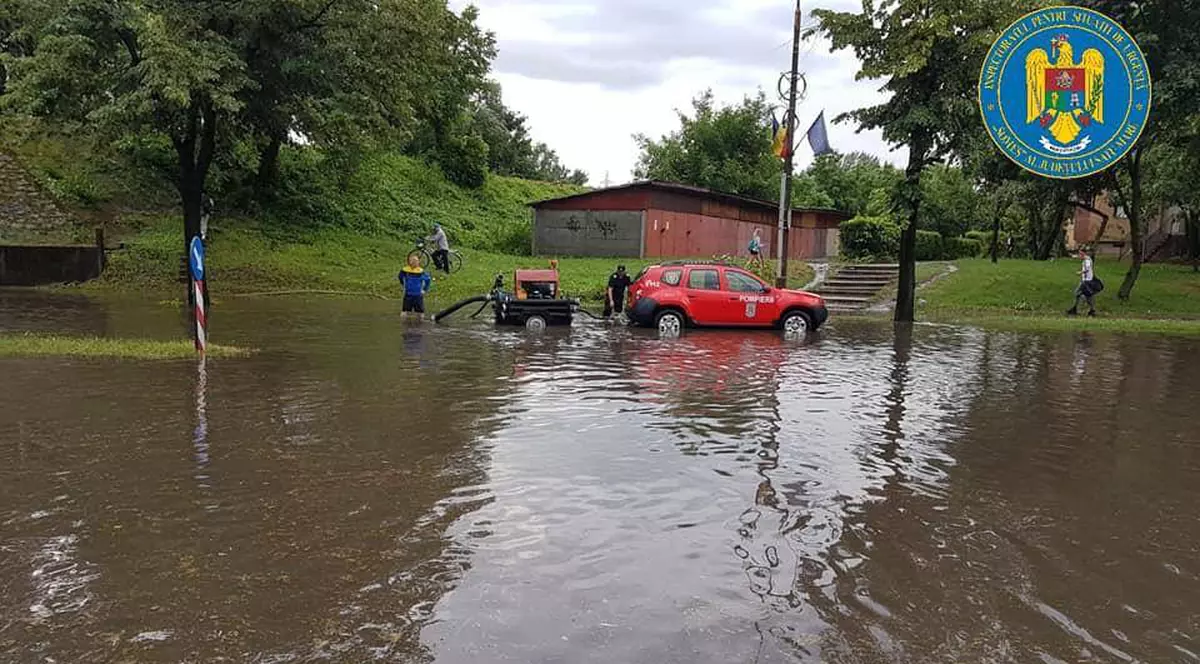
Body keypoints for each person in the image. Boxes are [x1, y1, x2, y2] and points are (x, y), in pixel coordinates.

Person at [1067, 247, 1099, 317]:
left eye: (1080, 254)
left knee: (1077, 293)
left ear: (1083, 253)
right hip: (1085, 280)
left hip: (1086, 281)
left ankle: (1076, 309)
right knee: (1087, 296)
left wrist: (1080, 272)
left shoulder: (1087, 260)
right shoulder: (1086, 259)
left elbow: (1087, 269)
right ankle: (1091, 310)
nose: (1079, 256)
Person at [399, 253, 433, 318]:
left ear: (418, 262)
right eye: (412, 260)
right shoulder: (405, 270)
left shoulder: (421, 272)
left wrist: (424, 290)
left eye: (416, 261)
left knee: (420, 313)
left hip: (418, 295)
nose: (414, 262)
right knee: (404, 312)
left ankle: (420, 325)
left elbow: (428, 280)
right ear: (409, 262)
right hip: (408, 294)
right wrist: (403, 284)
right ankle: (404, 326)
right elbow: (400, 277)